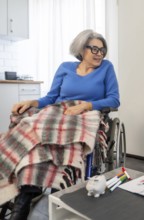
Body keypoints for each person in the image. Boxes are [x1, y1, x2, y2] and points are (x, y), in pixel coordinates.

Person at [1, 29, 120, 220]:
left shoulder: (106, 68)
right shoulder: (65, 67)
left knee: (63, 135)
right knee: (30, 127)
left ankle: (28, 200)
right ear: (82, 49)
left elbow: (114, 100)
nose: (100, 54)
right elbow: (51, 97)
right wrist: (33, 102)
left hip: (86, 115)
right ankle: (27, 191)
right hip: (58, 111)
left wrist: (86, 106)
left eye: (102, 50)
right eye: (95, 49)